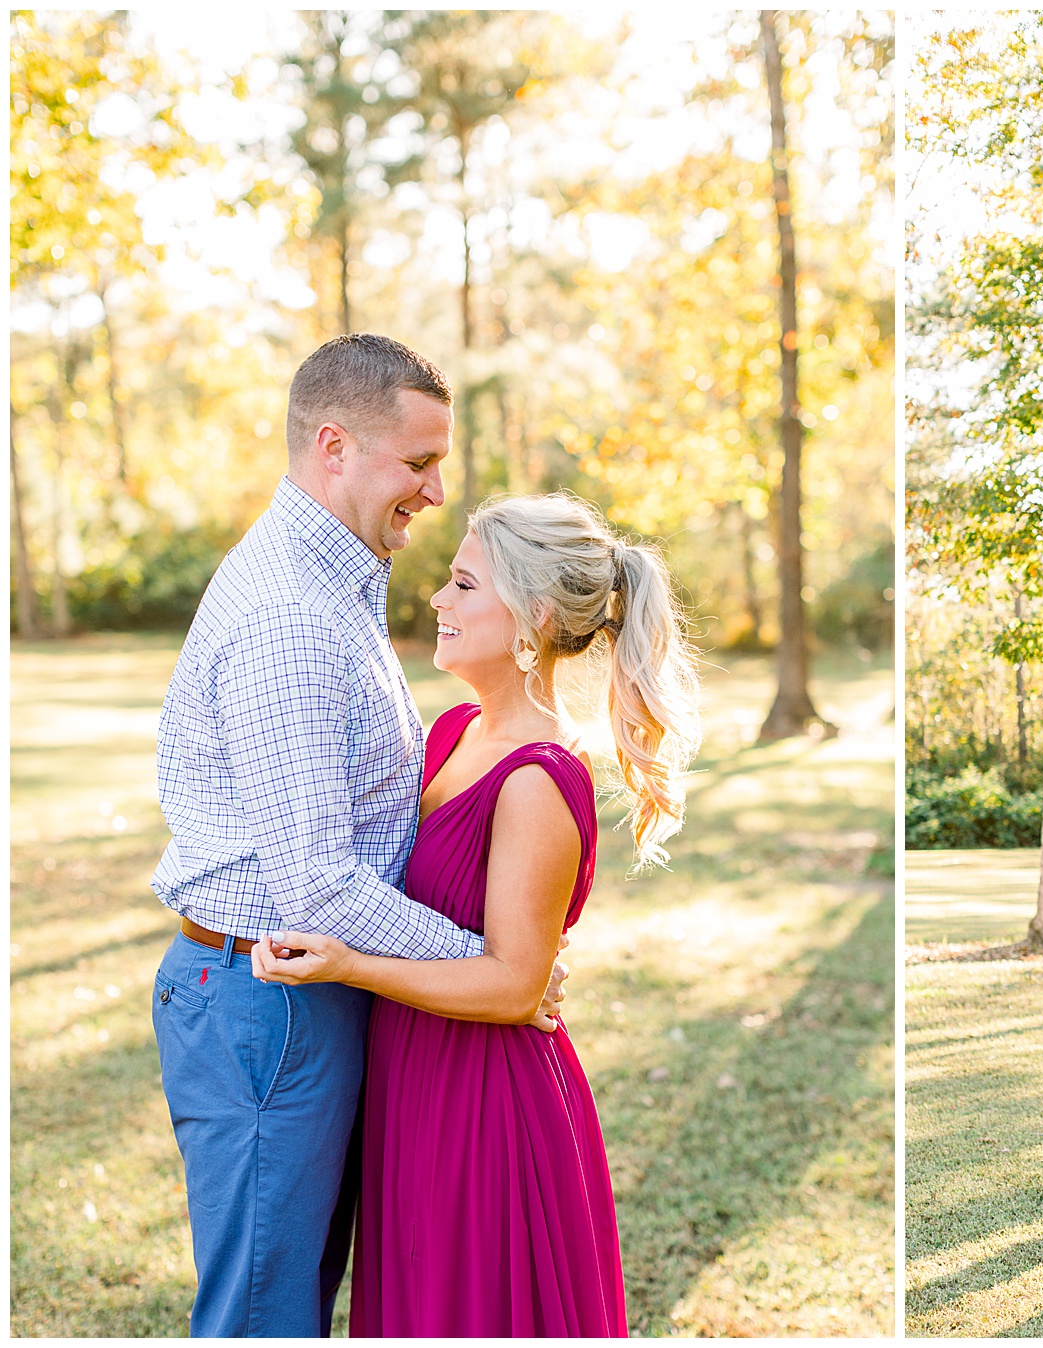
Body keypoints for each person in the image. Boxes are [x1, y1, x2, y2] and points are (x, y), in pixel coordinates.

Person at [148, 334, 566, 1338]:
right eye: (418, 463)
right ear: (334, 445)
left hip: (301, 993)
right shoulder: (291, 611)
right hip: (268, 1006)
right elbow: (319, 886)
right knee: (264, 1317)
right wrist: (496, 968)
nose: (433, 490)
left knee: (294, 1299)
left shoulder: (332, 578)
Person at [252, 492, 702, 1337]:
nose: (437, 601)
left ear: (532, 617)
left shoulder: (537, 780)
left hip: (486, 1104)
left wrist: (349, 965)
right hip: (409, 1081)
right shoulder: (453, 732)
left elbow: (509, 987)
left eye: (463, 585)